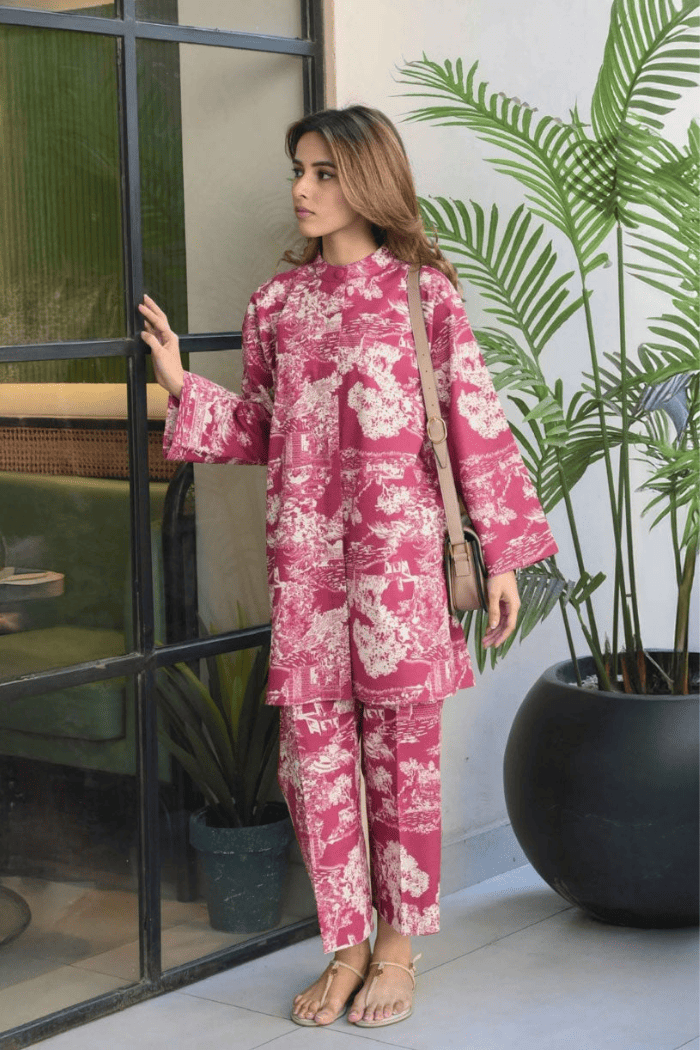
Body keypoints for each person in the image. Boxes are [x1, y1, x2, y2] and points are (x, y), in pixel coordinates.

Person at [139, 104, 557, 1029]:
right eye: (300, 169)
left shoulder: (424, 293)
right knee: (317, 763)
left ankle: (400, 948)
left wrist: (502, 559)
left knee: (402, 761)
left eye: (324, 172)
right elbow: (261, 429)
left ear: (368, 178)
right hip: (308, 574)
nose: (302, 188)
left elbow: (474, 425)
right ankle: (346, 946)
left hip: (402, 571)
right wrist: (181, 386)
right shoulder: (275, 307)